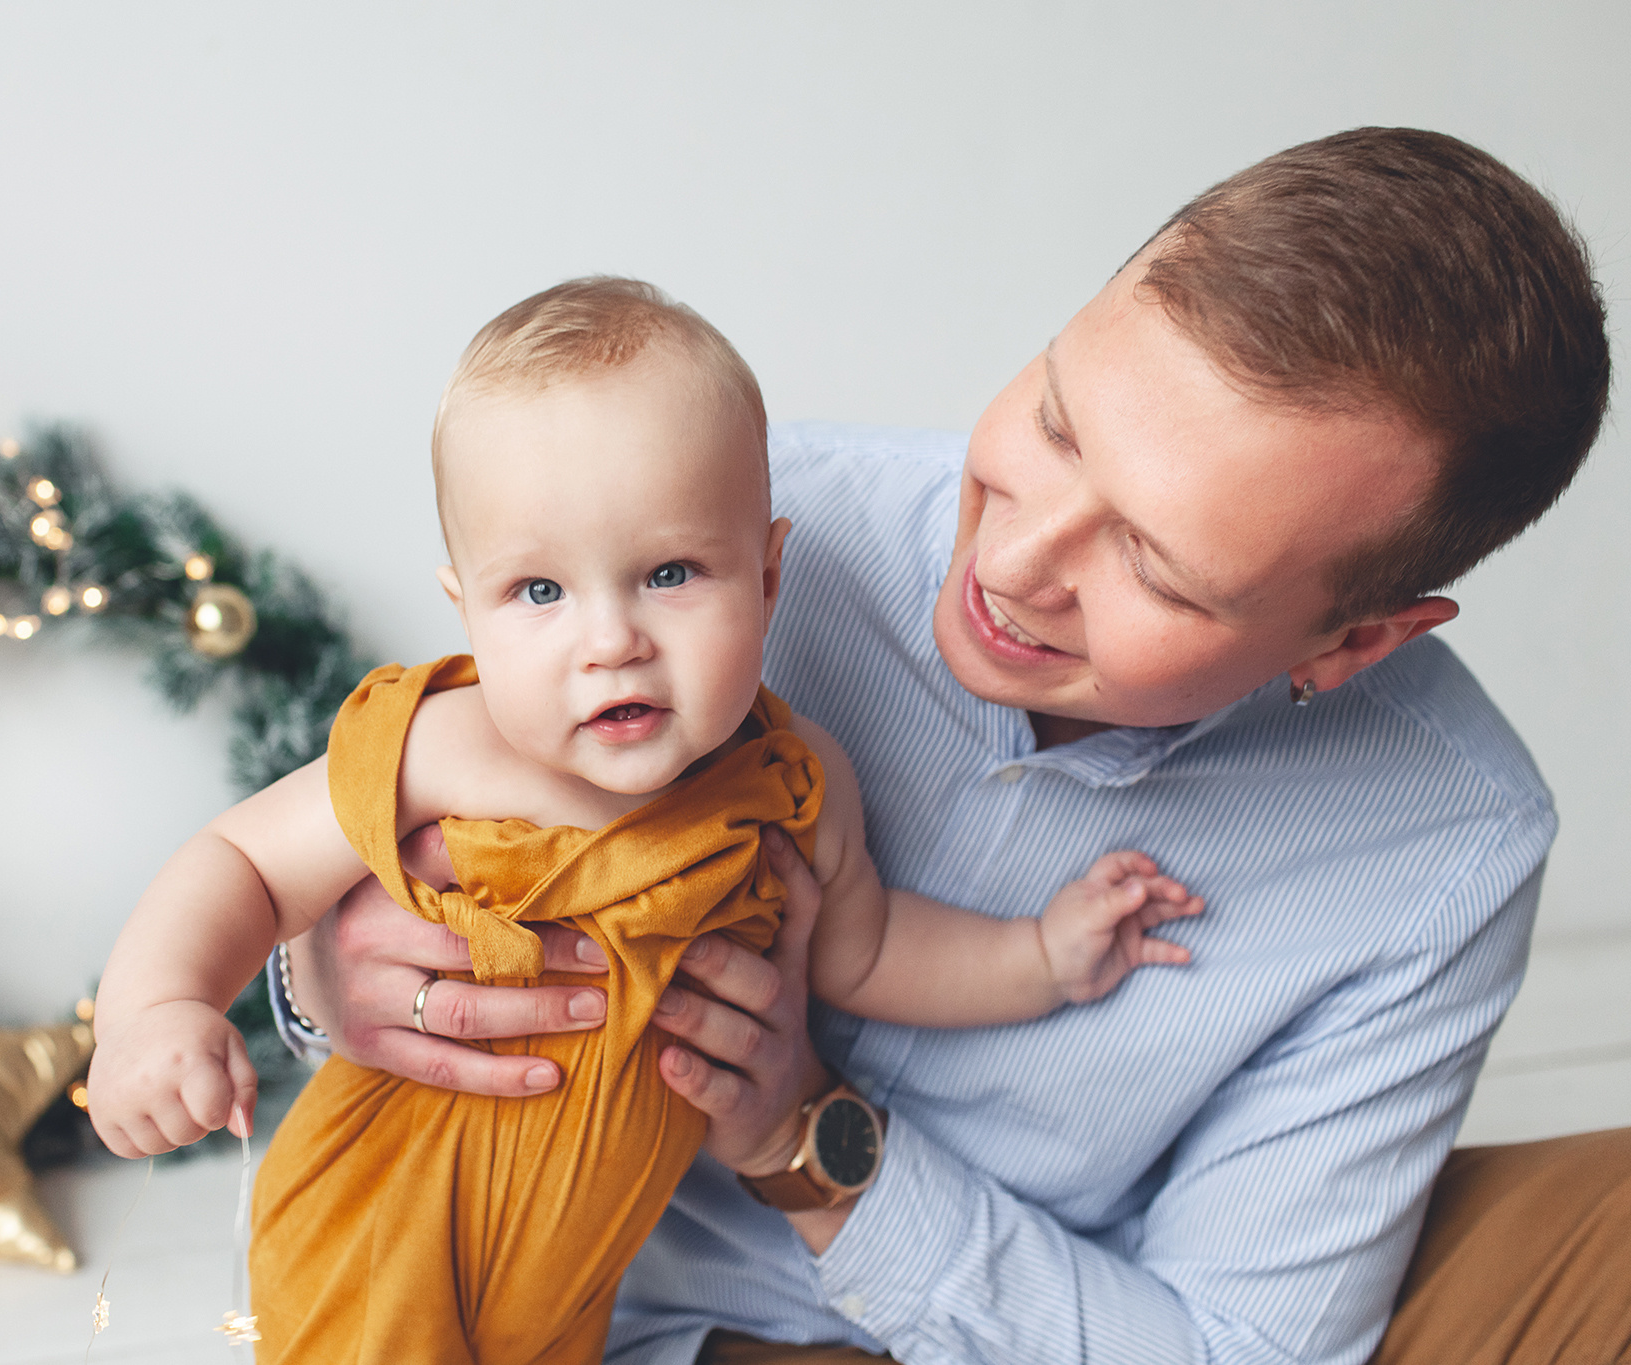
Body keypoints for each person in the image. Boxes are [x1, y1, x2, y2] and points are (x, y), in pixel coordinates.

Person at [272, 128, 1619, 1363]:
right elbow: (384, 808)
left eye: (1156, 562)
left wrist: (808, 1137)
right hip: (551, 1300)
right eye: (1055, 423)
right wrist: (325, 971)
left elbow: (1236, 1349)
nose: (1015, 560)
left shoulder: (1444, 840)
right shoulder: (706, 536)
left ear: (1353, 641)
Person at [85, 278, 1203, 1363]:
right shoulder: (446, 747)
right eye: (538, 593)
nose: (609, 639)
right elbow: (240, 860)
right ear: (466, 611)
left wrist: (1040, 957)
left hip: (579, 1279)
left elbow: (869, 950)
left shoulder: (789, 782)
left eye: (668, 573)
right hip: (385, 1223)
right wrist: (154, 1010)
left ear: (767, 580)